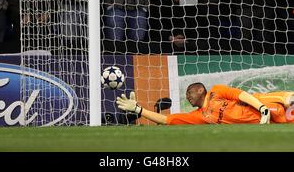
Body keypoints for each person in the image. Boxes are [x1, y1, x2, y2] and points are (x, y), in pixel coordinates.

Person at [116, 83, 294, 125]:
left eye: (189, 93)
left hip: (268, 104)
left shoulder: (216, 91)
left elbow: (242, 95)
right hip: (267, 122)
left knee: (288, 100)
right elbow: (166, 119)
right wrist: (139, 110)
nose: (187, 97)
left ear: (201, 90)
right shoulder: (199, 116)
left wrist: (262, 108)